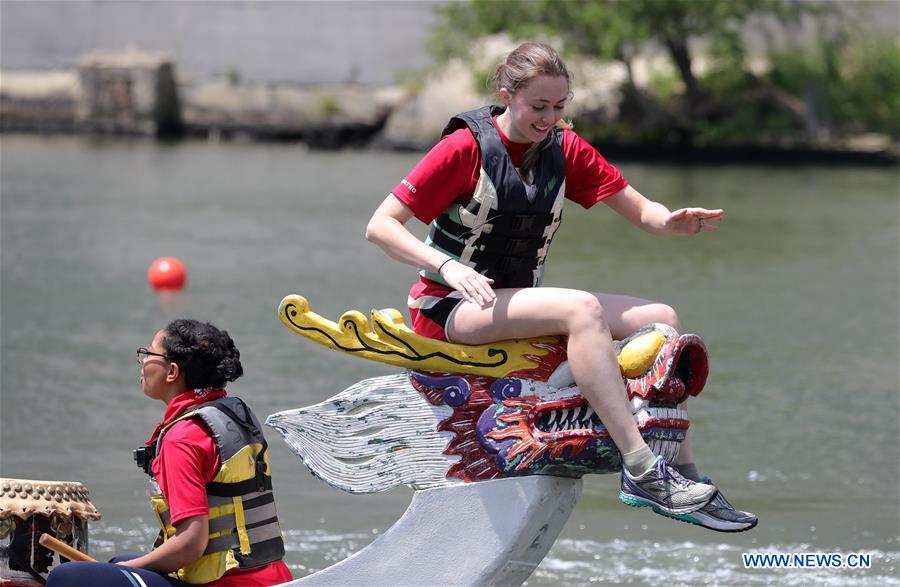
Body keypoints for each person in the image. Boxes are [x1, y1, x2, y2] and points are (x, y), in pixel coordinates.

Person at [366, 42, 756, 532]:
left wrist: (671, 222)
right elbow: (381, 226)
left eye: (559, 107)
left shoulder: (564, 149)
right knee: (580, 310)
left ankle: (681, 472)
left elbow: (642, 210)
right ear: (507, 96)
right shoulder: (463, 148)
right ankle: (639, 466)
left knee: (663, 319)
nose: (549, 118)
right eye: (538, 107)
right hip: (451, 307)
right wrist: (447, 267)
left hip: (512, 301)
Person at [47, 320, 294, 586]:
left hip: (226, 584)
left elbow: (191, 544)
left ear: (172, 371)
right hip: (271, 578)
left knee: (67, 577)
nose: (142, 361)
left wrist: (131, 566)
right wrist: (126, 566)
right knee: (116, 563)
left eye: (148, 353)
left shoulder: (183, 437)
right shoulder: (234, 415)